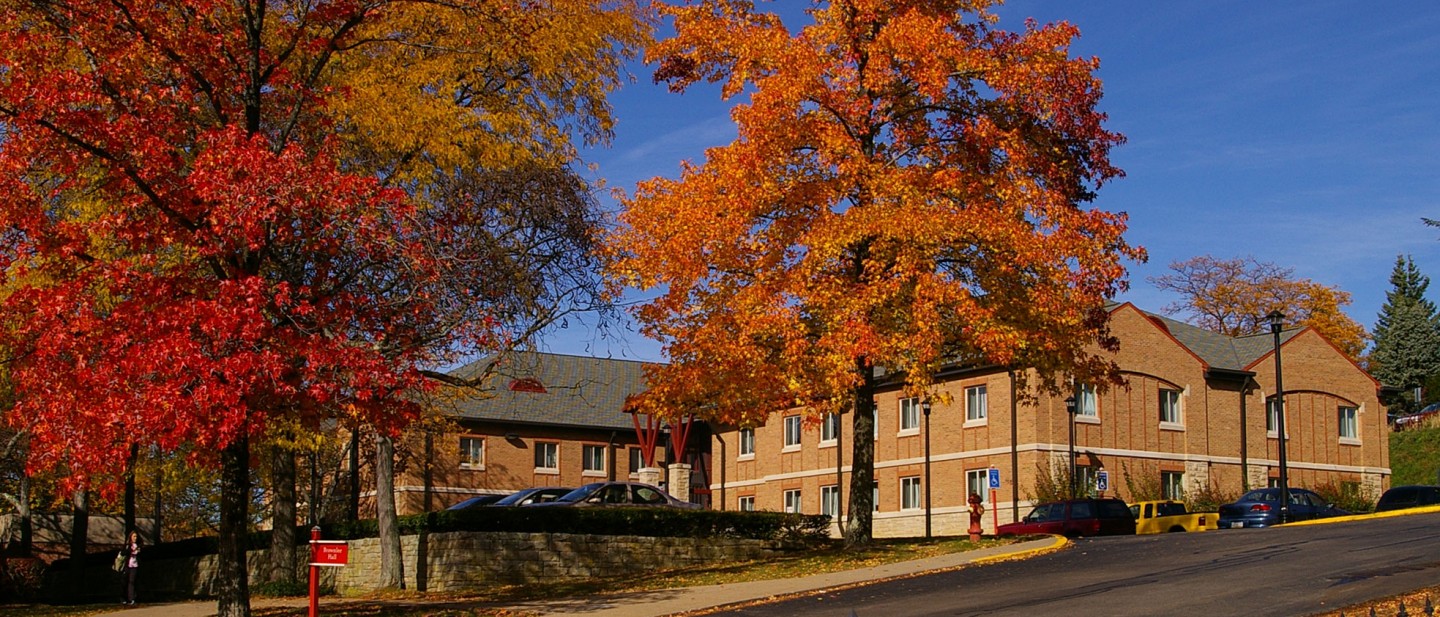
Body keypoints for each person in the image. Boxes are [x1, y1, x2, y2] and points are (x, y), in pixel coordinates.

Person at [121, 530, 141, 605]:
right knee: (124, 582)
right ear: (131, 537)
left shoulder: (138, 545)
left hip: (134, 566)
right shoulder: (128, 545)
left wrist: (138, 552)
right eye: (134, 536)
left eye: (136, 536)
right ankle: (123, 598)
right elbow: (123, 553)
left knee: (132, 582)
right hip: (127, 566)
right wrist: (130, 550)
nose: (135, 538)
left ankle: (132, 599)